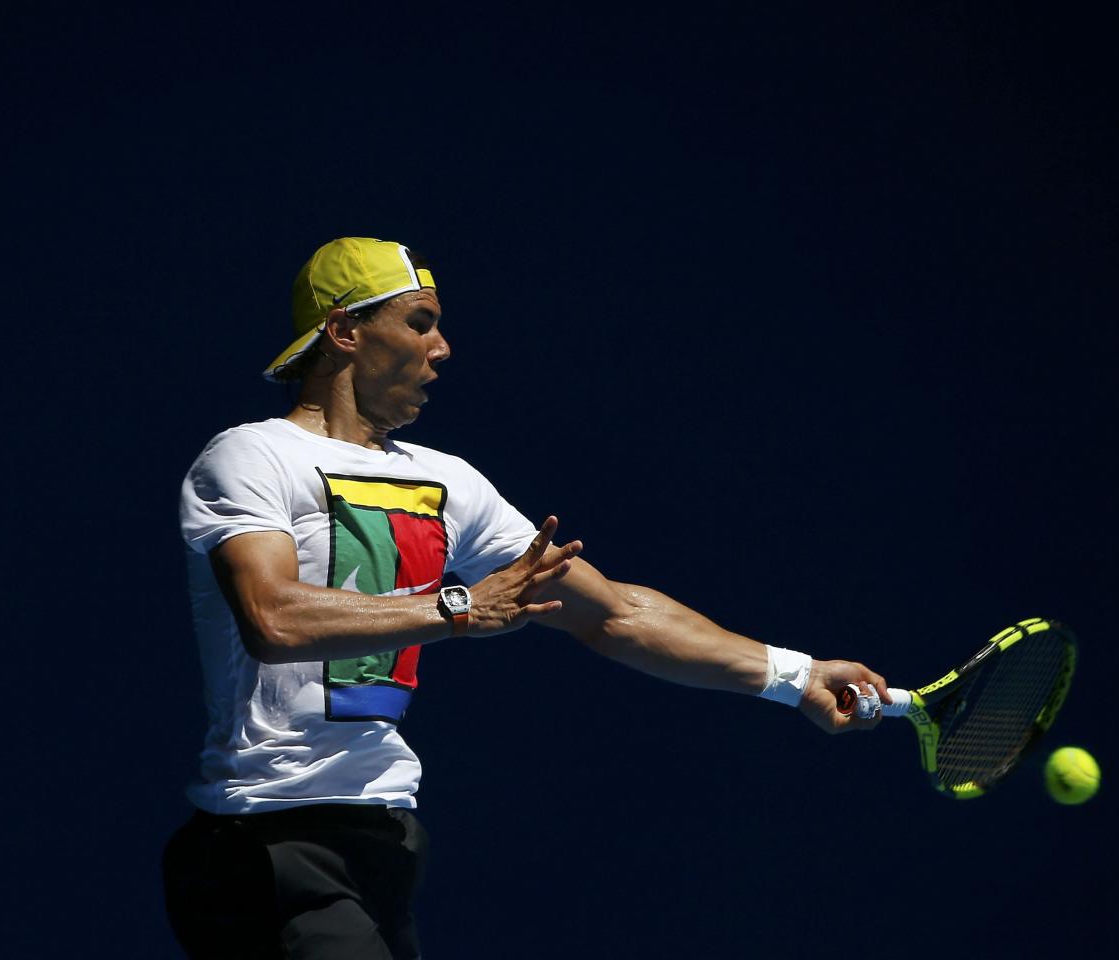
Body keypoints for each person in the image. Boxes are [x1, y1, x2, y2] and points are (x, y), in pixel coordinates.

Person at [165, 237, 890, 959]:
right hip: (264, 842)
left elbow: (613, 613)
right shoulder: (252, 456)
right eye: (419, 323)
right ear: (346, 332)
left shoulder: (449, 481)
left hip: (382, 839)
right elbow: (272, 616)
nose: (442, 349)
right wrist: (457, 609)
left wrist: (796, 677)